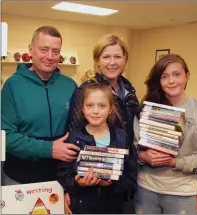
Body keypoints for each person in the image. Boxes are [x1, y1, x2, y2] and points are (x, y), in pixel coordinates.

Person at [65, 33, 139, 214]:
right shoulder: (86, 90)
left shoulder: (130, 90)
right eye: (106, 56)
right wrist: (70, 186)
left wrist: (127, 180)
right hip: (90, 184)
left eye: (117, 56)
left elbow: (132, 136)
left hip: (122, 181)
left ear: (125, 60)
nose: (112, 62)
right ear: (97, 60)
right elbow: (74, 137)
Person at [133, 54, 197, 214]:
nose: (171, 81)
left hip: (183, 192)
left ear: (187, 76)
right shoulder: (145, 108)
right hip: (146, 189)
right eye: (164, 76)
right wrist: (143, 156)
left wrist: (174, 162)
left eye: (177, 74)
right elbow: (133, 148)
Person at [1, 26, 79, 185]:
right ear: (30, 49)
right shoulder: (12, 86)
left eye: (55, 51)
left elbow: (80, 128)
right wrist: (49, 149)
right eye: (44, 49)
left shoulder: (70, 86)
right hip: (20, 178)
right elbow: (6, 136)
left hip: (61, 177)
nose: (50, 57)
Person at [57, 82, 134, 214]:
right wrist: (78, 184)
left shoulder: (122, 137)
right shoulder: (73, 138)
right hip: (81, 207)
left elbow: (130, 175)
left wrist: (111, 182)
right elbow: (63, 175)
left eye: (102, 106)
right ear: (82, 108)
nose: (95, 111)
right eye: (89, 105)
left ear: (110, 109)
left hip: (112, 207)